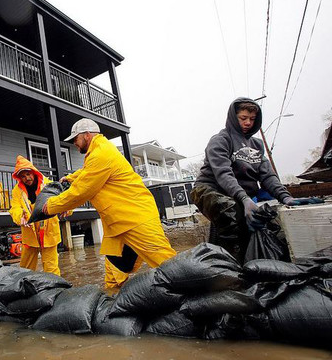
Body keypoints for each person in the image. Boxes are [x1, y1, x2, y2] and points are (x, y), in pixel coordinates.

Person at [42, 118, 177, 288]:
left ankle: (195, 300)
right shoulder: (98, 152)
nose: (75, 144)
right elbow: (87, 172)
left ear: (87, 135)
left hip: (136, 217)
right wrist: (69, 178)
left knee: (167, 264)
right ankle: (112, 303)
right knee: (113, 275)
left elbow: (82, 191)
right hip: (116, 224)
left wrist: (52, 206)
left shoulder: (101, 154)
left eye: (75, 139)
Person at [190, 97, 321, 262]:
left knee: (264, 218)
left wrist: (286, 197)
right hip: (208, 190)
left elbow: (268, 175)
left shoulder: (257, 145)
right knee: (229, 211)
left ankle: (254, 262)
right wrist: (244, 198)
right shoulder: (221, 140)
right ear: (233, 117)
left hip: (237, 194)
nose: (248, 123)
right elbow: (223, 173)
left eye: (252, 119)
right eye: (243, 118)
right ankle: (233, 268)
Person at [9, 155, 62, 275]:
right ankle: (24, 288)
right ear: (19, 178)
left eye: (28, 174)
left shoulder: (48, 184)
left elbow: (62, 200)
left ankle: (55, 289)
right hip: (29, 231)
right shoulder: (17, 191)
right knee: (26, 268)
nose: (27, 178)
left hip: (48, 231)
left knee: (51, 267)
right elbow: (15, 207)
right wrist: (19, 217)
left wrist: (67, 210)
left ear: (33, 173)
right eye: (23, 176)